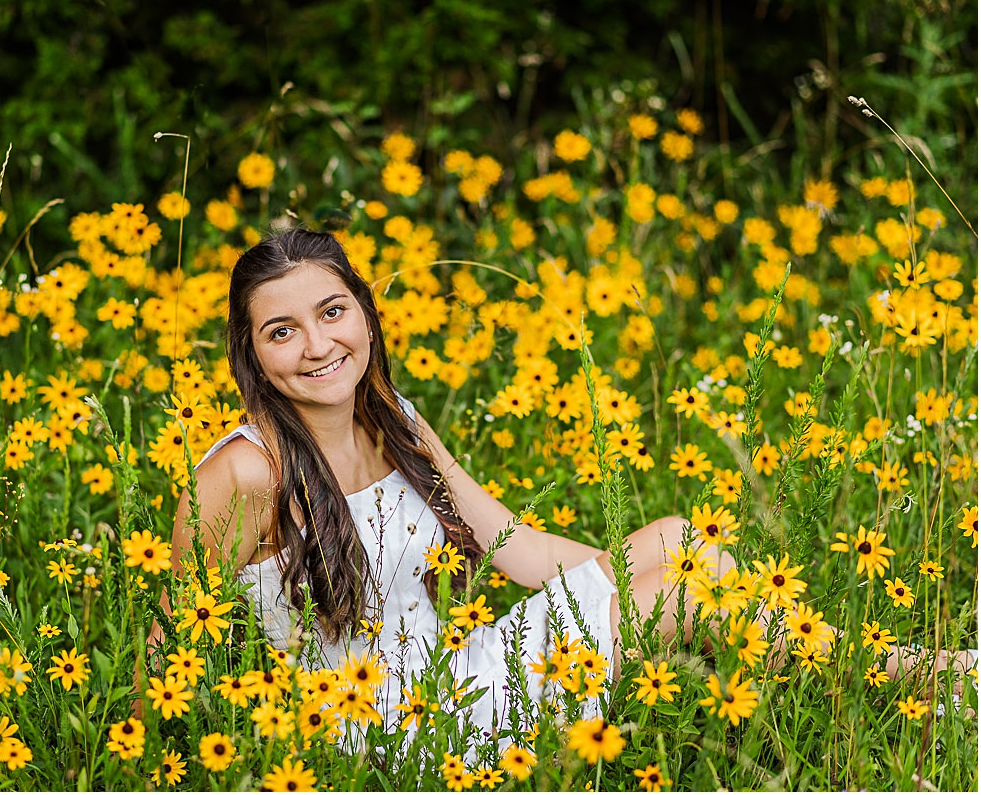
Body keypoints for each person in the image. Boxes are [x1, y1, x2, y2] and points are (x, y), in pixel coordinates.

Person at [156, 228, 974, 741]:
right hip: (386, 730)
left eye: (333, 312)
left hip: (457, 671)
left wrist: (631, 588)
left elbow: (505, 543)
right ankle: (927, 675)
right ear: (250, 352)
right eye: (282, 331)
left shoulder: (392, 416)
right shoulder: (244, 470)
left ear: (365, 314)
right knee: (689, 594)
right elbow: (167, 639)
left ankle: (899, 675)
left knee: (684, 544)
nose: (317, 345)